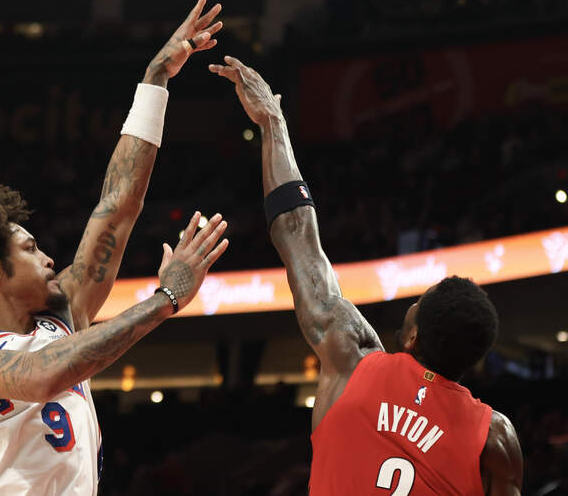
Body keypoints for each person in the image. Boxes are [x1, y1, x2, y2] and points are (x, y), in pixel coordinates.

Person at [0, 0, 231, 496]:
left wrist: (155, 80)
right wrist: (164, 300)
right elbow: (42, 377)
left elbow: (117, 205)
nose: (48, 258)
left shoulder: (62, 315)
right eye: (29, 249)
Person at [210, 56, 523, 495]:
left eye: (415, 305)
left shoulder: (352, 358)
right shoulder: (496, 437)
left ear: (413, 337)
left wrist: (273, 124)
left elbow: (296, 235)